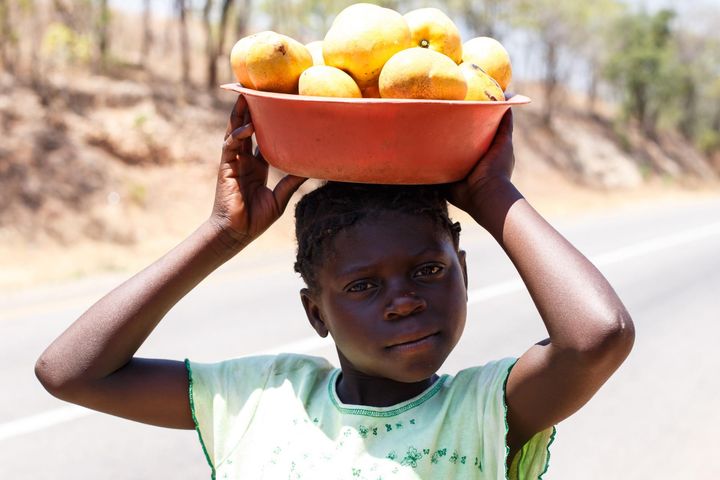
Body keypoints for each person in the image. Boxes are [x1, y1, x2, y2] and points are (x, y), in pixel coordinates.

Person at [35, 96, 635, 479]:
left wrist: (491, 194)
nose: (404, 300)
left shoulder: (483, 411)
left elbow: (596, 336)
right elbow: (71, 371)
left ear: (464, 272)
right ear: (314, 312)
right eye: (362, 286)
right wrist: (221, 235)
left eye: (429, 270)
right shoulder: (263, 399)